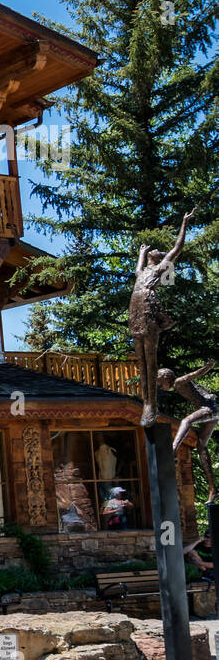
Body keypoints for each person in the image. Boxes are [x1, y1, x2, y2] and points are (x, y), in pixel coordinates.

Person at [130, 209, 194, 426]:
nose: (155, 250)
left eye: (156, 251)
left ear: (158, 259)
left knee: (150, 361)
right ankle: (145, 401)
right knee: (141, 361)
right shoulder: (143, 272)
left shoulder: (158, 270)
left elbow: (177, 248)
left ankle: (151, 405)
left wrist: (184, 222)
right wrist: (141, 251)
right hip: (136, 310)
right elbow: (138, 267)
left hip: (147, 310)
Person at [159, 362, 219, 500]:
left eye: (161, 384)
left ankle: (173, 449)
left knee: (186, 421)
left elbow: (193, 375)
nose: (161, 387)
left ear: (166, 379)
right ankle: (213, 489)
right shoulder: (178, 385)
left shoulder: (178, 382)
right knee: (201, 446)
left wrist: (207, 367)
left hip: (210, 409)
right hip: (213, 411)